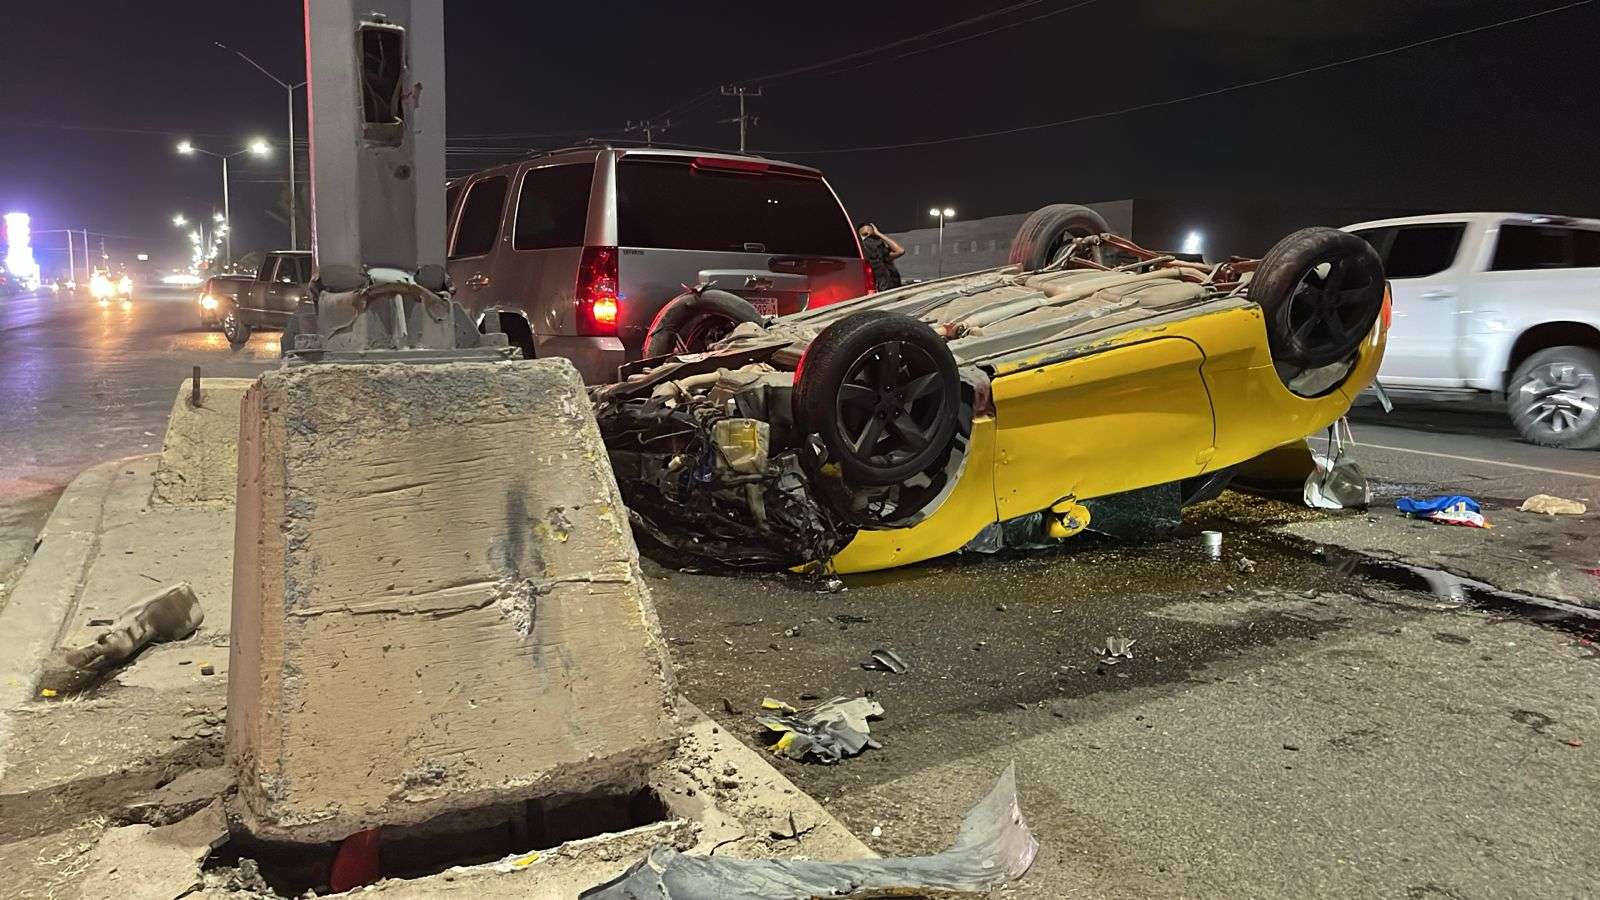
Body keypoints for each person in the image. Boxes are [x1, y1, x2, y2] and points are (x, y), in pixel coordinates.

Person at [858, 223, 905, 290]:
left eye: (871, 236)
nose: (868, 239)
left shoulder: (882, 255)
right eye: (865, 235)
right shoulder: (859, 257)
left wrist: (878, 234)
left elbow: (900, 251)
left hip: (891, 288)